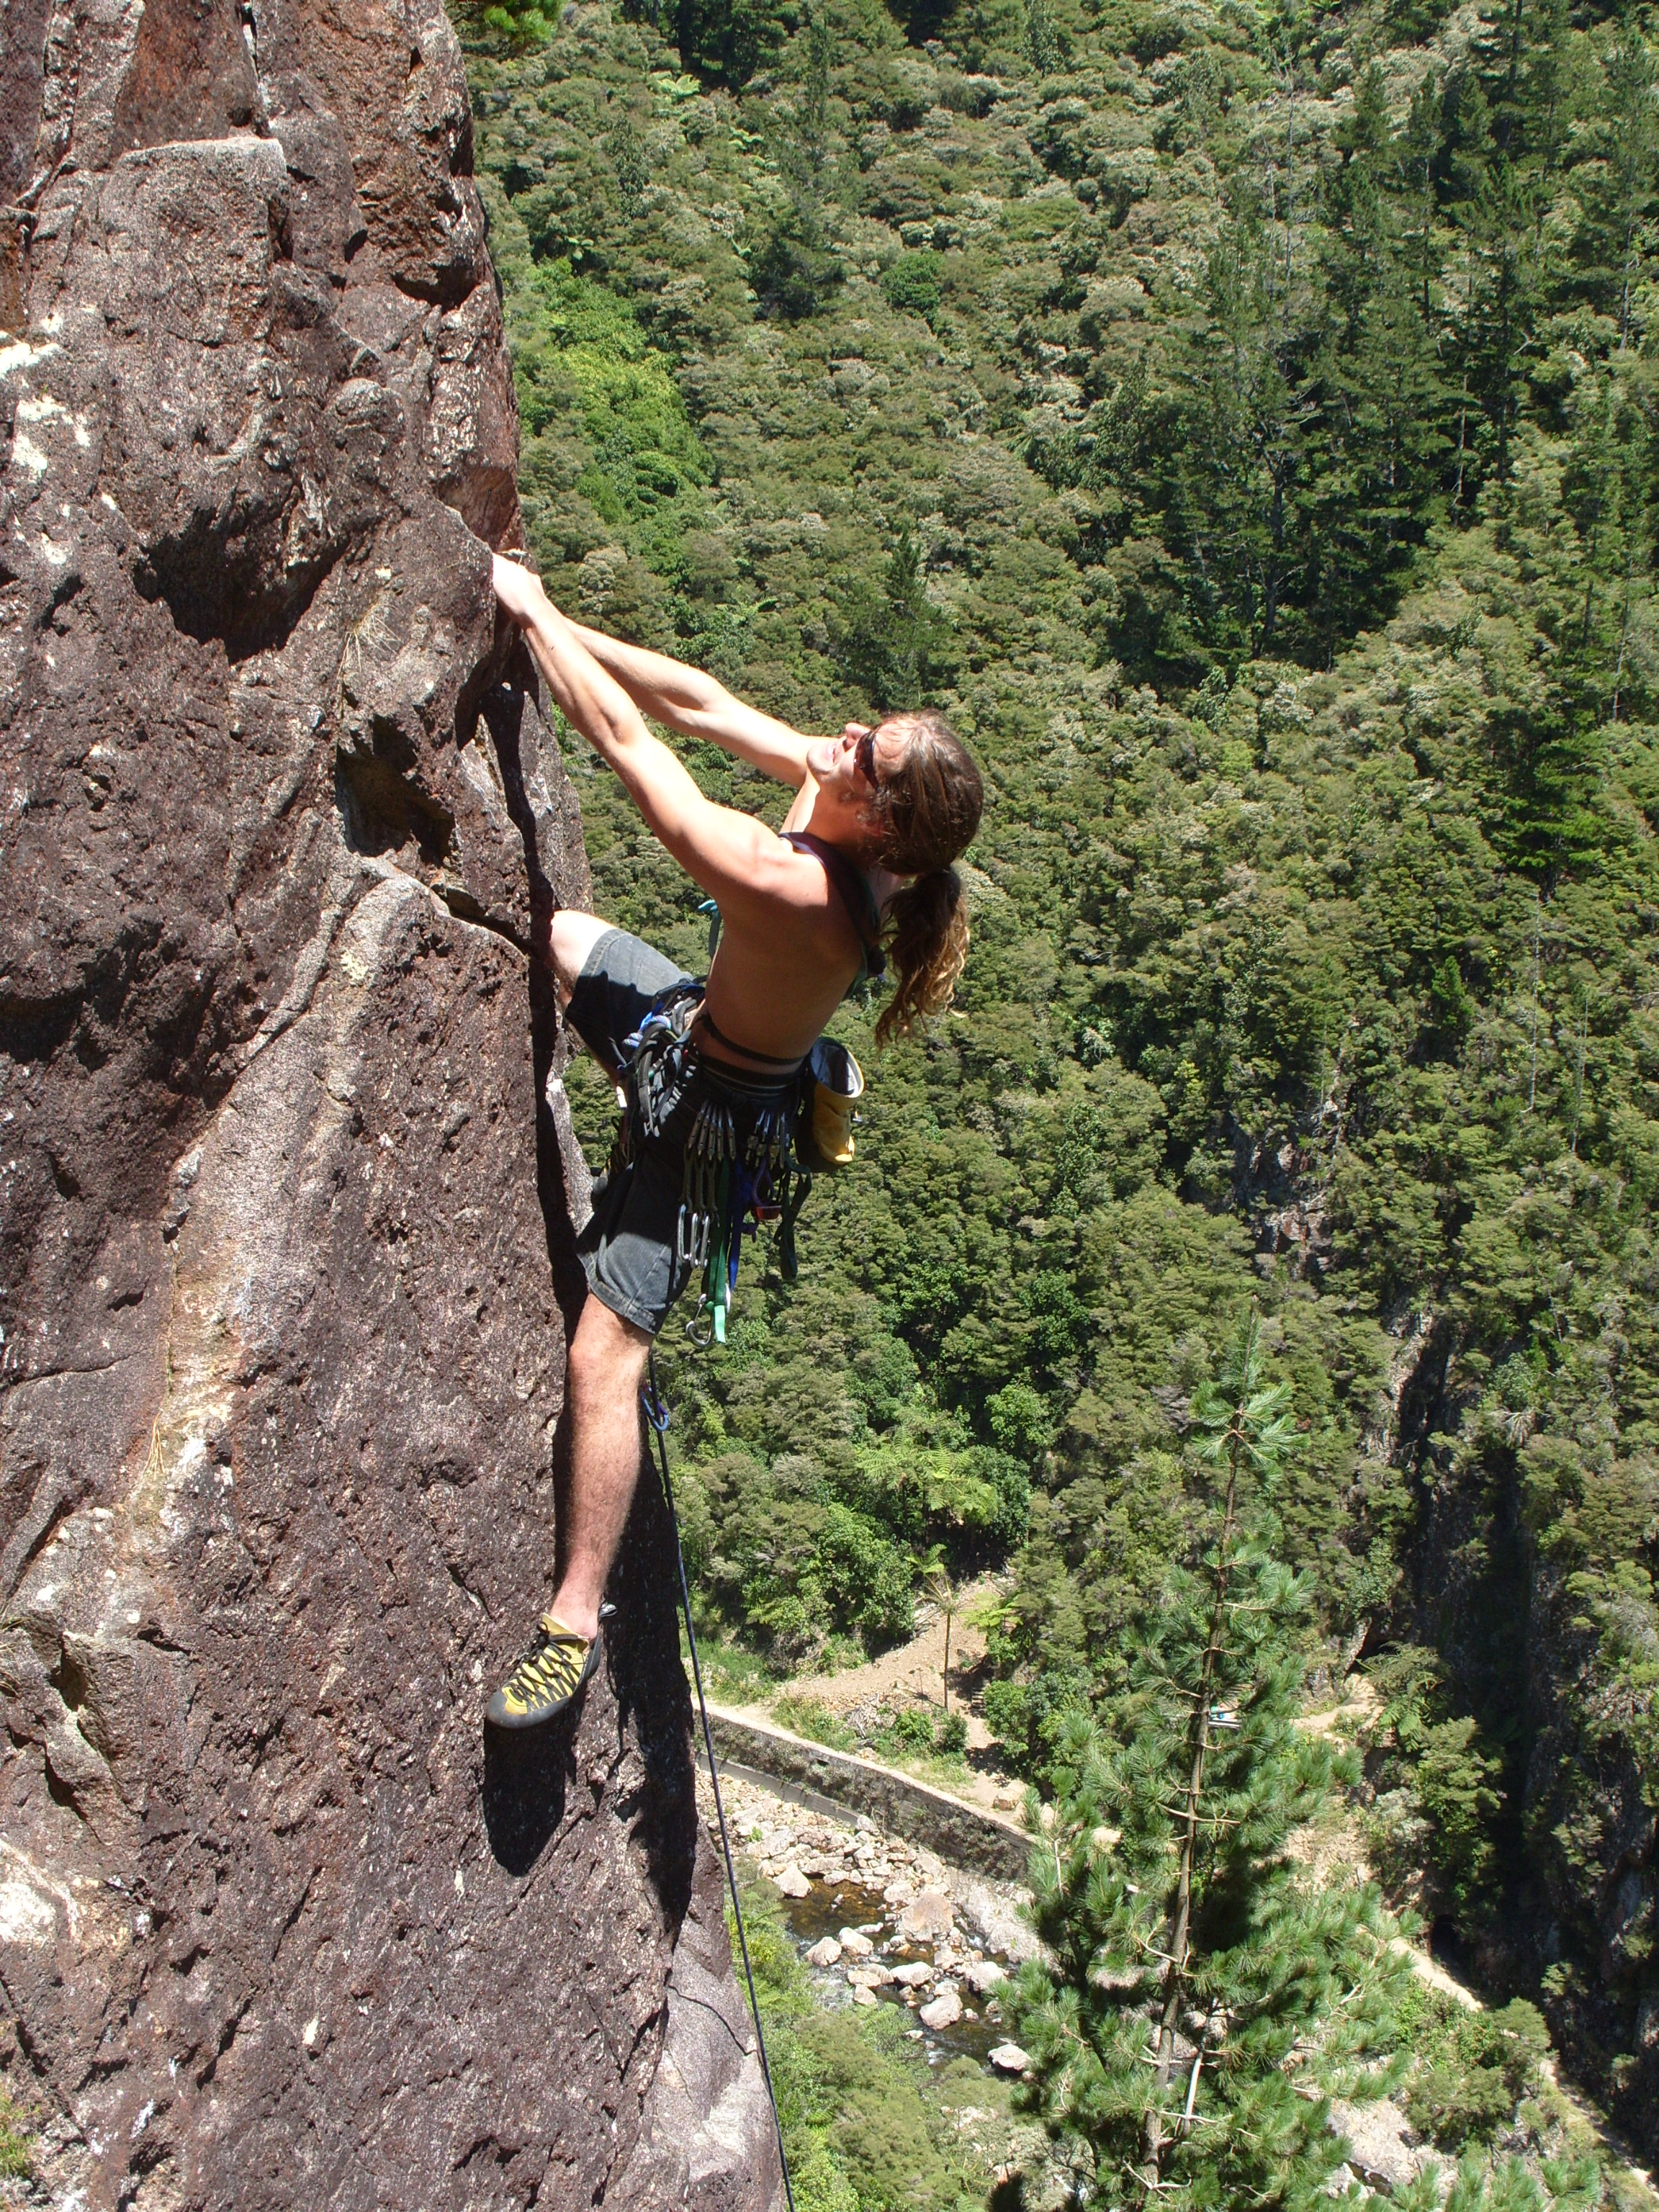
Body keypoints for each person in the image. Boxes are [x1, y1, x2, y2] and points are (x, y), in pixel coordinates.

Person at [485, 554, 984, 1729]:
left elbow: (641, 761)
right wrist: (549, 623)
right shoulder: (844, 802)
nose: (849, 736)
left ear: (882, 818)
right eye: (871, 730)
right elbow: (698, 703)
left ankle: (571, 1622)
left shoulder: (805, 891)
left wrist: (538, 617)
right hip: (680, 1034)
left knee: (605, 1355)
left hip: (706, 1137)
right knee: (557, 935)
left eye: (870, 753)